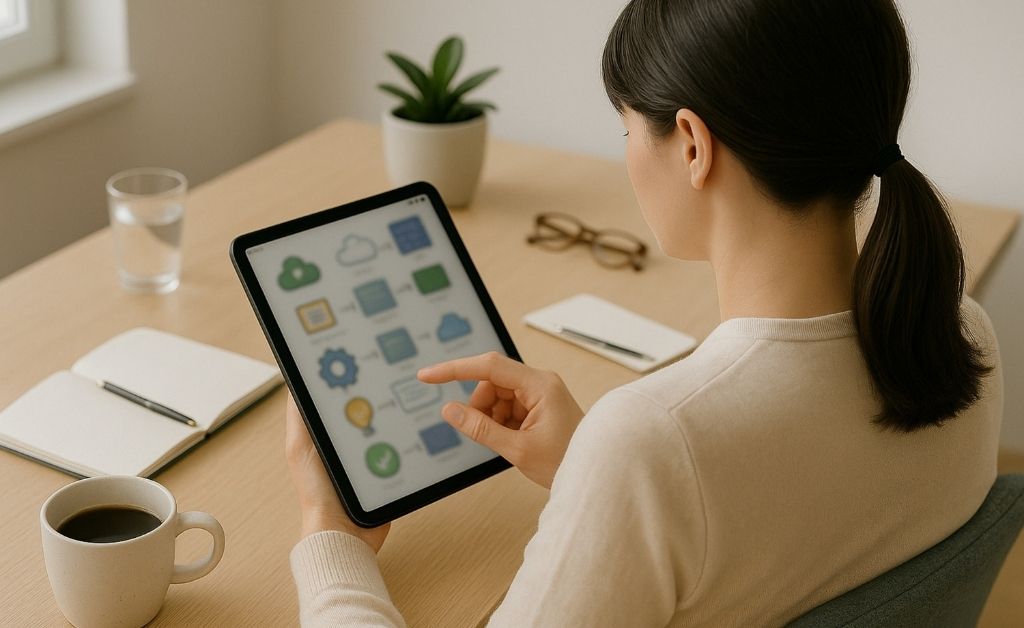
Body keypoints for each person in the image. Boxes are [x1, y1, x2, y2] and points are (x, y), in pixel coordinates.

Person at [285, 0, 1003, 625]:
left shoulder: (656, 441)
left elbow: (711, 462)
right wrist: (594, 474)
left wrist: (333, 541)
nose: (627, 151)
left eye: (627, 128)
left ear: (692, 145)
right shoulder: (962, 336)